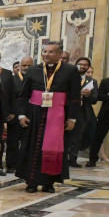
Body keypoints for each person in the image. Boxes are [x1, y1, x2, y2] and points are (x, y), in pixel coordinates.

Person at [16, 41, 80, 192]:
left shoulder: (70, 71)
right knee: (33, 147)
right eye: (45, 52)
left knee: (53, 149)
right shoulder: (33, 70)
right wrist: (21, 115)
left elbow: (75, 97)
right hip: (35, 114)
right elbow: (23, 95)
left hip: (57, 115)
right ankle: (31, 182)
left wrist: (72, 118)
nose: (47, 55)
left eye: (51, 52)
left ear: (59, 55)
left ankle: (48, 183)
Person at [6, 55, 34, 171]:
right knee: (13, 141)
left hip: (31, 114)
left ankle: (26, 164)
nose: (26, 67)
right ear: (20, 66)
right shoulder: (12, 79)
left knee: (28, 141)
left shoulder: (36, 79)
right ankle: (11, 164)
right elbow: (8, 97)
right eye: (24, 65)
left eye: (29, 65)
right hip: (15, 114)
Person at [68, 56, 97, 167]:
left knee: (77, 136)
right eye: (80, 64)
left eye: (85, 65)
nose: (82, 66)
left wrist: (89, 95)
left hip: (82, 111)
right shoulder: (70, 77)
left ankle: (73, 159)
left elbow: (94, 99)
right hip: (69, 109)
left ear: (88, 67)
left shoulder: (92, 81)